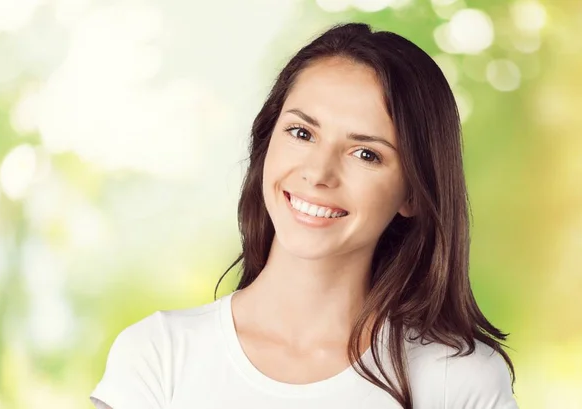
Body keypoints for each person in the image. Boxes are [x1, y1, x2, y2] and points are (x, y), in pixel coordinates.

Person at [89, 22, 519, 409]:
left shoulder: (458, 380)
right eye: (301, 132)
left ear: (413, 194)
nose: (318, 173)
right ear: (266, 143)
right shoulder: (159, 355)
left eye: (366, 153)